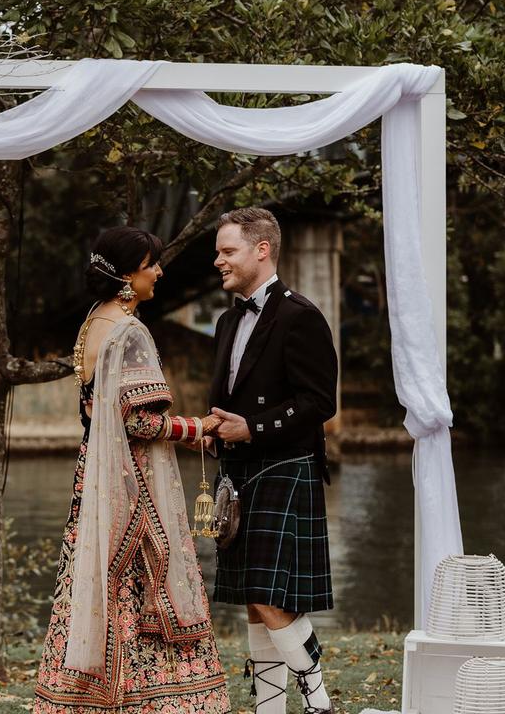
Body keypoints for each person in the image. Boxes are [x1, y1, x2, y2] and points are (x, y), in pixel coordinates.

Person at [34, 226, 231, 714]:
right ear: (127, 275)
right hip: (133, 480)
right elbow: (139, 420)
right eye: (151, 264)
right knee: (143, 580)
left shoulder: (92, 323)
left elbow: (91, 412)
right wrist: (197, 427)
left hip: (96, 478)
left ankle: (89, 697)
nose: (160, 272)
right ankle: (152, 701)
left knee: (101, 579)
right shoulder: (130, 330)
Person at [207, 207, 339, 714]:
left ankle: (319, 701)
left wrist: (253, 427)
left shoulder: (299, 316)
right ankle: (268, 708)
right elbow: (232, 397)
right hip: (238, 473)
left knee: (267, 594)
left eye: (227, 250)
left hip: (284, 467)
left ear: (262, 250)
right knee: (255, 600)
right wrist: (215, 429)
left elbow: (320, 402)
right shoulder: (226, 321)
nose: (218, 260)